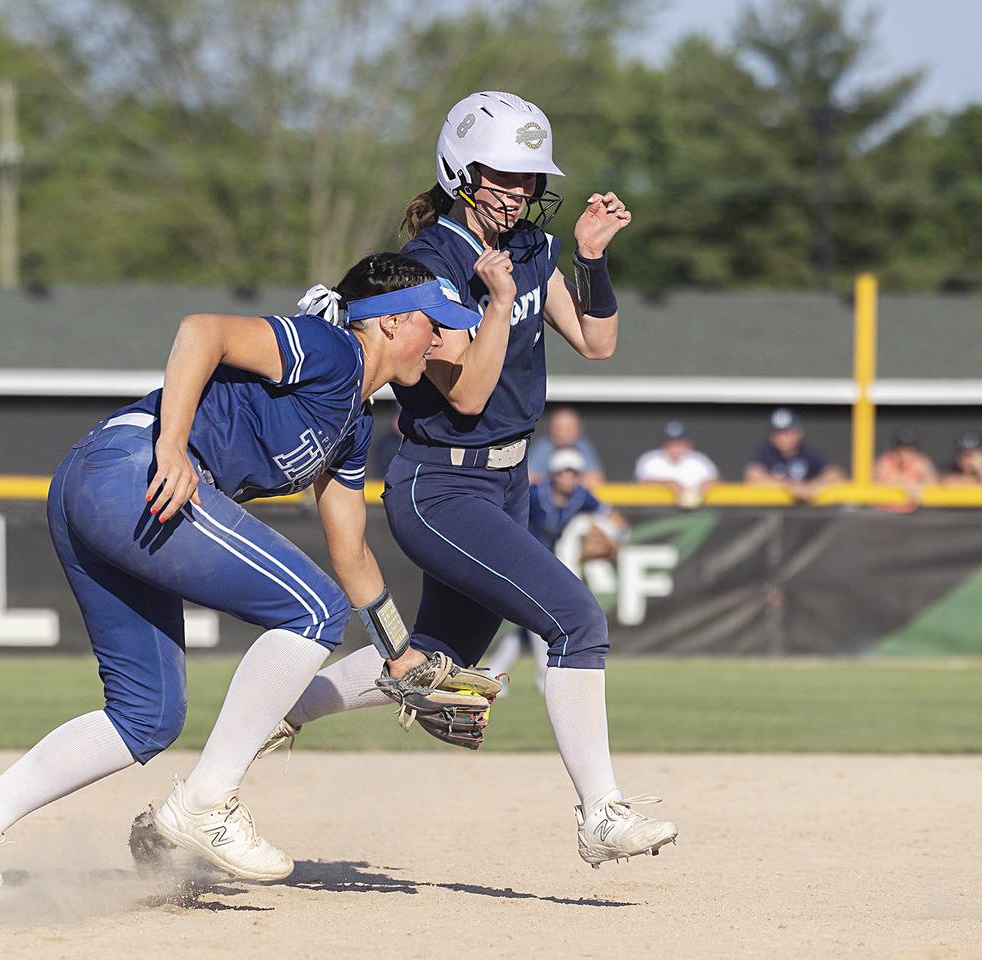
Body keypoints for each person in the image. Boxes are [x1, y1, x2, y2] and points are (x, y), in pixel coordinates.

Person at [0, 252, 486, 896]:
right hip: (131, 470)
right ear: (388, 322)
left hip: (110, 490)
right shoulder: (332, 349)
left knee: (147, 716)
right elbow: (200, 332)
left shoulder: (353, 426)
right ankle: (207, 801)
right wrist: (172, 445)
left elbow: (351, 552)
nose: (439, 338)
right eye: (432, 322)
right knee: (313, 611)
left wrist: (400, 655)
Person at [258, 90, 677, 869]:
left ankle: (258, 728)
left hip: (505, 486)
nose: (518, 190)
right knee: (576, 622)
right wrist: (500, 300)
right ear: (460, 171)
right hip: (440, 486)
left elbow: (596, 341)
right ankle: (600, 814)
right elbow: (468, 395)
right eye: (503, 174)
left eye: (528, 177)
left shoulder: (528, 249)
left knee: (429, 658)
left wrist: (590, 258)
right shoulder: (431, 265)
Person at [481, 447, 628, 694]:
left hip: (549, 561)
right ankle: (542, 675)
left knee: (529, 625)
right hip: (521, 555)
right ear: (554, 474)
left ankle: (495, 673)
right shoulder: (537, 493)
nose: (568, 477)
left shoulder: (581, 496)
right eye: (563, 472)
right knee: (539, 617)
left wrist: (619, 537)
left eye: (573, 472)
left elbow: (614, 518)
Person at [744, 407, 844, 502]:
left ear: (799, 433)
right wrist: (789, 487)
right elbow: (753, 476)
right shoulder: (766, 453)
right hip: (772, 514)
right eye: (778, 433)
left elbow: (835, 474)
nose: (783, 438)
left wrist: (813, 486)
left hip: (804, 514)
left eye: (788, 433)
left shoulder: (806, 453)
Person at [633, 420, 718, 507]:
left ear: (689, 444)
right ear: (663, 443)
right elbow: (642, 482)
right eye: (670, 443)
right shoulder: (650, 459)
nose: (675, 447)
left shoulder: (699, 460)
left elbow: (715, 479)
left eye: (679, 442)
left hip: (698, 510)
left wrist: (701, 489)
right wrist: (670, 484)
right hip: (655, 510)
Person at [527, 406, 604, 488]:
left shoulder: (582, 445)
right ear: (551, 429)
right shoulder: (545, 446)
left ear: (579, 429)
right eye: (558, 428)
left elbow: (596, 480)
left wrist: (570, 484)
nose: (563, 433)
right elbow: (529, 478)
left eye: (569, 428)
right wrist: (555, 485)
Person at [874, 429, 937, 508]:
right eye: (902, 447)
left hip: (914, 513)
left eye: (909, 447)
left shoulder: (921, 463)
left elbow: (934, 485)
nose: (905, 452)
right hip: (886, 511)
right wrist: (901, 484)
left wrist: (918, 486)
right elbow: (873, 487)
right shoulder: (883, 462)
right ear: (895, 447)